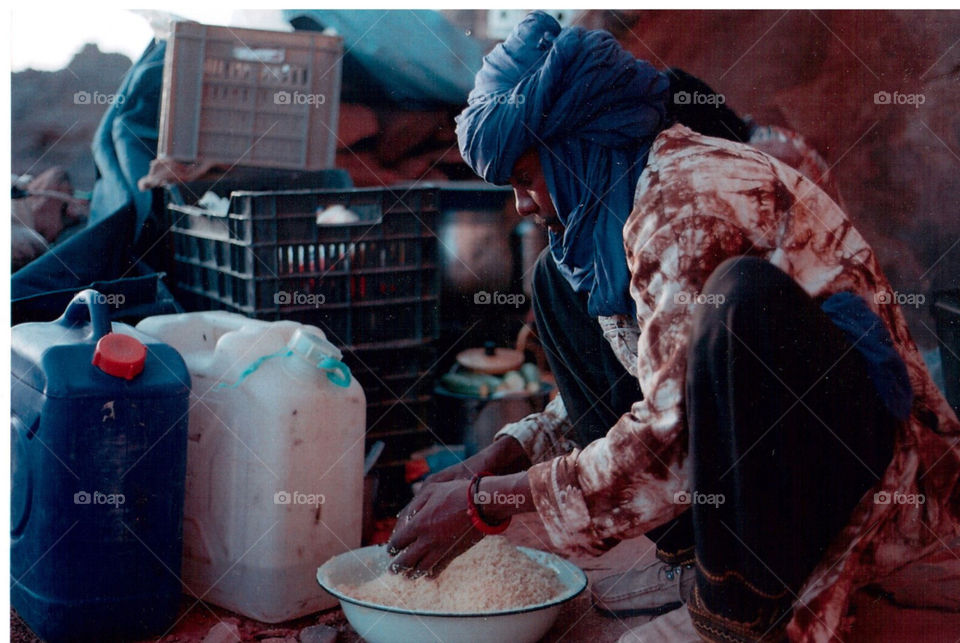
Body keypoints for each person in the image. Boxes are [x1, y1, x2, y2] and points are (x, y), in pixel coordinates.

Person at [387, 12, 960, 642]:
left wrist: (485, 504)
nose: (522, 204)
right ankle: (696, 557)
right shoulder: (622, 202)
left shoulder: (687, 208)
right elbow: (659, 371)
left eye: (525, 178)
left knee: (740, 304)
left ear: (577, 144)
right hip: (747, 453)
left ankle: (744, 604)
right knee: (554, 279)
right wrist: (503, 454)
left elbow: (671, 438)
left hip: (857, 466)